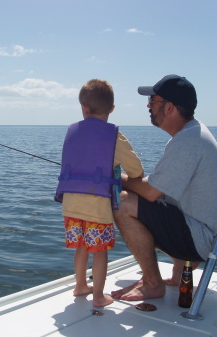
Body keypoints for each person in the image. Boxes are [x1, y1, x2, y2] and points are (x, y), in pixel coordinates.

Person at [111, 75, 217, 301]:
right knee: (153, 201)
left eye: (153, 101)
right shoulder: (192, 134)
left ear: (169, 108)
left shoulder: (188, 141)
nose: (148, 106)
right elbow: (161, 191)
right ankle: (178, 274)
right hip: (204, 232)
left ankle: (152, 284)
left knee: (123, 202)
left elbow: (150, 192)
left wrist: (114, 177)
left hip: (199, 239)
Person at [55, 79, 144, 307]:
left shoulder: (72, 131)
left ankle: (80, 286)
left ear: (84, 108)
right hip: (97, 206)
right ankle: (97, 297)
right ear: (111, 109)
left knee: (82, 246)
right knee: (100, 250)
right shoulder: (114, 135)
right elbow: (136, 169)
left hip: (71, 204)